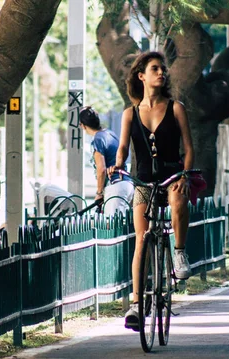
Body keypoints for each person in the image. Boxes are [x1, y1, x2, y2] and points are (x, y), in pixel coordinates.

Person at [107, 51, 195, 330]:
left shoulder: (176, 108)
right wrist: (117, 164)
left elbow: (189, 149)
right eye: (155, 69)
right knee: (141, 239)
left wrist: (184, 174)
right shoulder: (129, 114)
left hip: (172, 177)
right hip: (143, 181)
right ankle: (136, 305)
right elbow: (122, 148)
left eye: (163, 69)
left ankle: (179, 251)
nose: (162, 73)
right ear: (141, 75)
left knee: (179, 199)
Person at [79, 106, 134, 218]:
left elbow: (101, 169)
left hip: (115, 186)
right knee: (123, 228)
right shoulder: (109, 133)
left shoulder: (97, 140)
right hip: (127, 184)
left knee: (112, 229)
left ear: (83, 126)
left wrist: (99, 193)